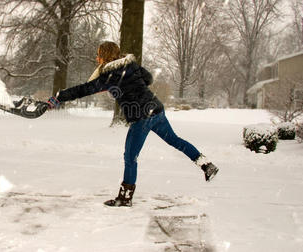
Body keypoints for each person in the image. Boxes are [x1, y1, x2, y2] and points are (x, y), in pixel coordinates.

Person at [47, 41, 219, 207]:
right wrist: (133, 85)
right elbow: (149, 78)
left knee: (130, 157)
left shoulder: (109, 76)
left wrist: (59, 97)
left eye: (99, 54)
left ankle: (125, 198)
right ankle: (206, 165)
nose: (96, 58)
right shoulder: (130, 65)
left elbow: (83, 89)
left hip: (141, 117)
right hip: (156, 110)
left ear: (105, 56)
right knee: (175, 140)